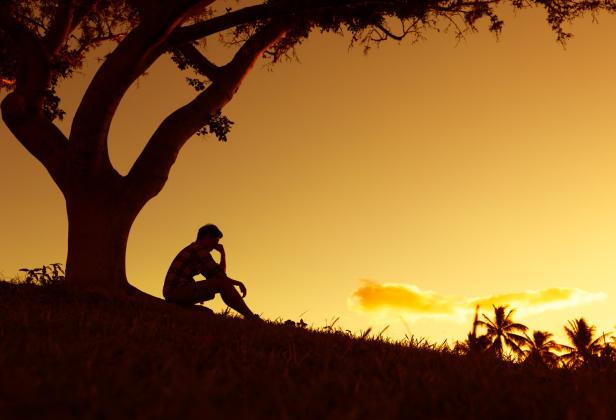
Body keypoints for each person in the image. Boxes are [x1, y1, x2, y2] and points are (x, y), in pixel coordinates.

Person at [163, 224, 258, 319]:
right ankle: (251, 317)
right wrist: (238, 283)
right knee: (223, 284)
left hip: (174, 292)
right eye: (215, 242)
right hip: (176, 292)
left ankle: (185, 307)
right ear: (206, 237)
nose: (215, 246)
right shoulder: (198, 249)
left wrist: (222, 255)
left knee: (207, 311)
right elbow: (222, 279)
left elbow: (217, 275)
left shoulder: (196, 250)